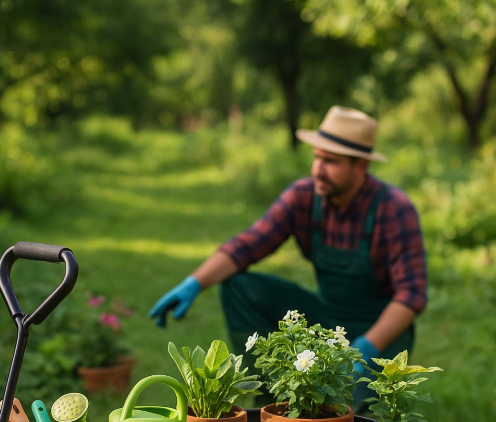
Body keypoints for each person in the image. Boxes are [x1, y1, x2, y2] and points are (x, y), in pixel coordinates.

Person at [149, 106, 427, 406]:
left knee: (351, 419)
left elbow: (411, 295)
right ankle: (272, 397)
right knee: (240, 287)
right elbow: (247, 245)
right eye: (317, 157)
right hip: (329, 322)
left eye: (331, 161)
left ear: (360, 165)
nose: (318, 169)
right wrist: (195, 282)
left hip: (382, 333)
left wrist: (367, 346)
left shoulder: (394, 208)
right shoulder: (304, 197)